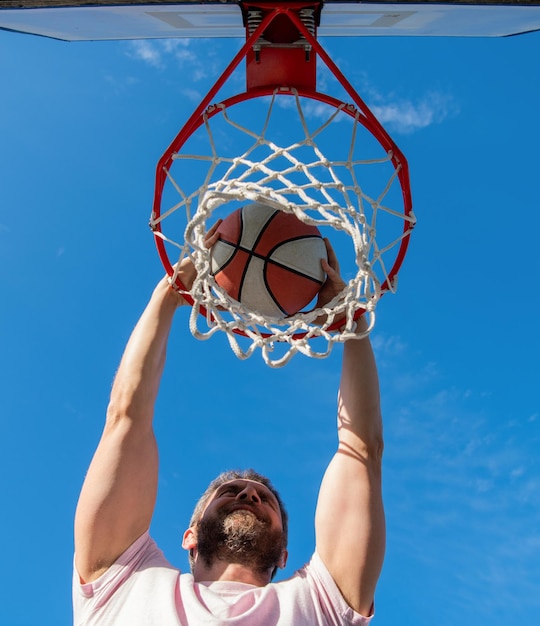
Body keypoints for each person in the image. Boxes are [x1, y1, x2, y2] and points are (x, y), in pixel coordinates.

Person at [73, 227, 386, 625]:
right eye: (232, 492)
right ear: (190, 534)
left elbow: (362, 451)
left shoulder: (320, 603)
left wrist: (348, 322)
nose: (250, 496)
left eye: (263, 500)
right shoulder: (122, 580)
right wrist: (170, 294)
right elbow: (125, 418)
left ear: (284, 554)